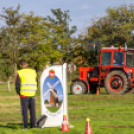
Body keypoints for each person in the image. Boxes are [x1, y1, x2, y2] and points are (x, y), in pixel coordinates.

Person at [15, 59, 38, 129]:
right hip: (32, 94)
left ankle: (25, 127)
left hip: (24, 95)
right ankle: (33, 126)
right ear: (27, 64)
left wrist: (19, 93)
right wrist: (34, 91)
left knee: (24, 112)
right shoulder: (33, 72)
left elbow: (17, 85)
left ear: (20, 65)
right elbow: (37, 82)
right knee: (33, 111)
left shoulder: (19, 73)